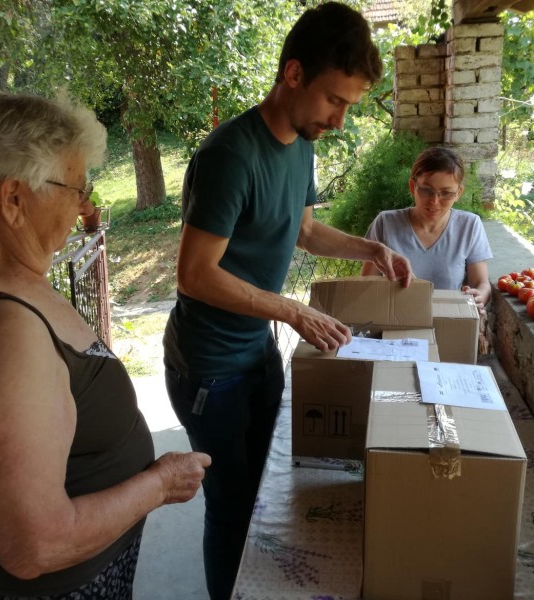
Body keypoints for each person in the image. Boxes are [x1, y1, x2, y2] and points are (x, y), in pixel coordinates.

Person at [0, 89, 211, 600]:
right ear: (13, 199)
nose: (84, 206)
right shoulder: (4, 334)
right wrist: (159, 485)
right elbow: (34, 545)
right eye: (74, 188)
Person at [162, 3, 413, 598]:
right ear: (294, 75)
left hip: (256, 350)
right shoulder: (231, 155)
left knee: (269, 487)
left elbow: (301, 228)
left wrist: (367, 250)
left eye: (350, 105)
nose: (342, 119)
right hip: (210, 367)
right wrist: (294, 311)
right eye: (336, 101)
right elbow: (195, 275)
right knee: (231, 504)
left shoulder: (302, 142)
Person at [361, 146, 493, 314]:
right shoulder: (386, 223)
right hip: (393, 322)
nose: (435, 202)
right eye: (426, 190)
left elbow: (482, 282)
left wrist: (480, 295)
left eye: (446, 193)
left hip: (449, 322)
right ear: (412, 187)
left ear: (458, 193)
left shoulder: (469, 225)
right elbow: (365, 283)